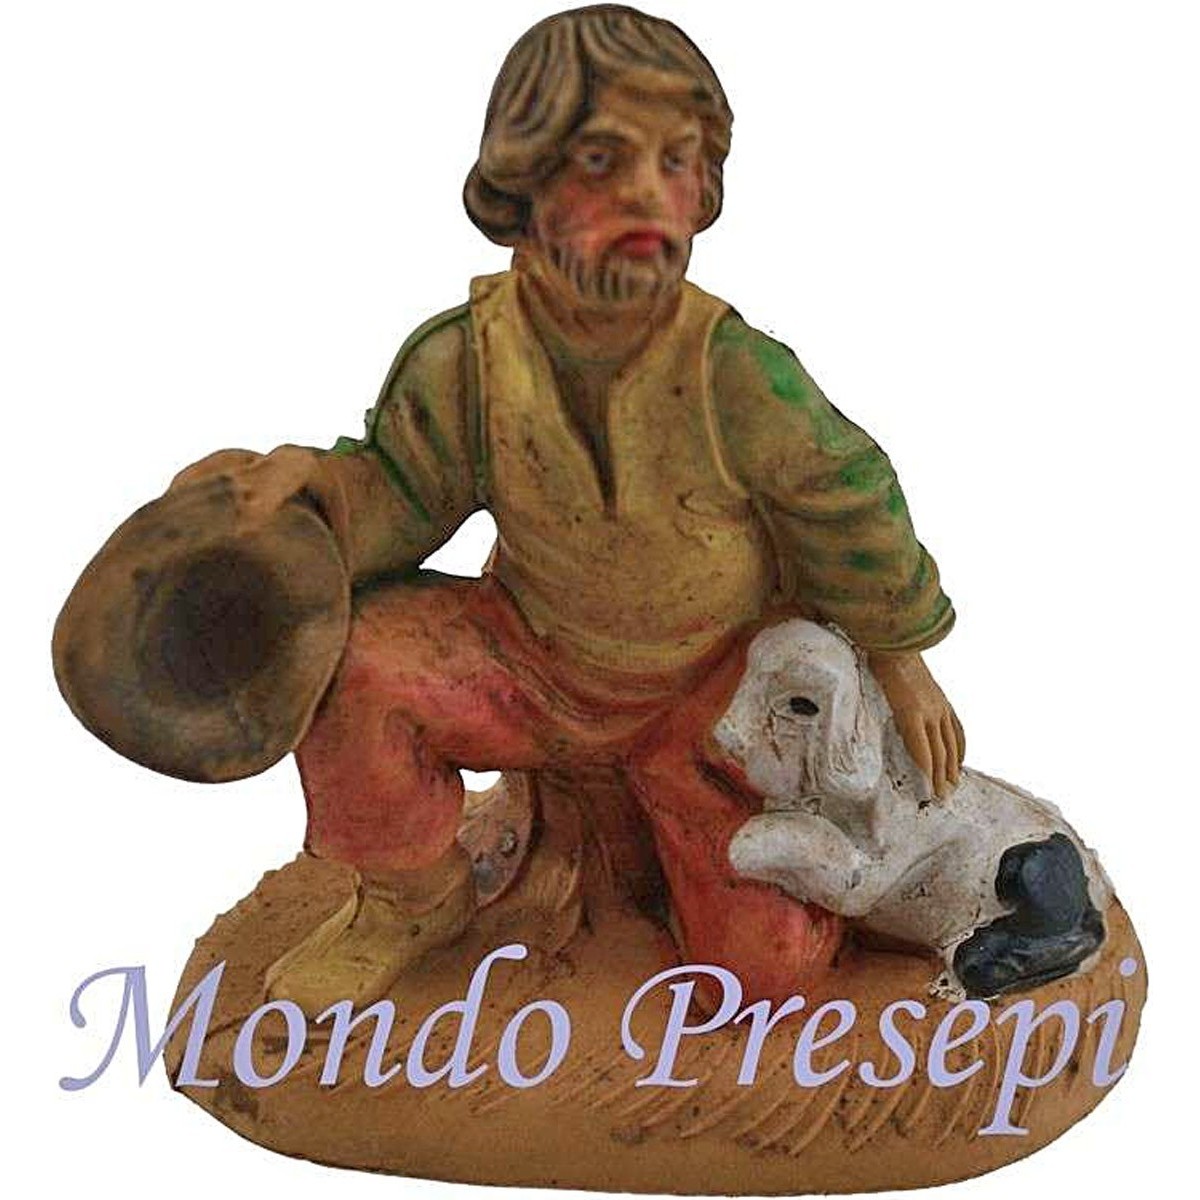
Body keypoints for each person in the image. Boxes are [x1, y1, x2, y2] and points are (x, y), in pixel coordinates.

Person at [158, 4, 966, 1012]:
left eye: (677, 161)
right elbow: (399, 490)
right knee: (353, 667)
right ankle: (411, 900)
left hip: (713, 693)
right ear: (522, 180)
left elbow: (846, 499)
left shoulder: (739, 376)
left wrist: (898, 657)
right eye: (599, 160)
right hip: (527, 661)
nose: (648, 192)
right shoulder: (466, 358)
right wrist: (301, 500)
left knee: (763, 975)